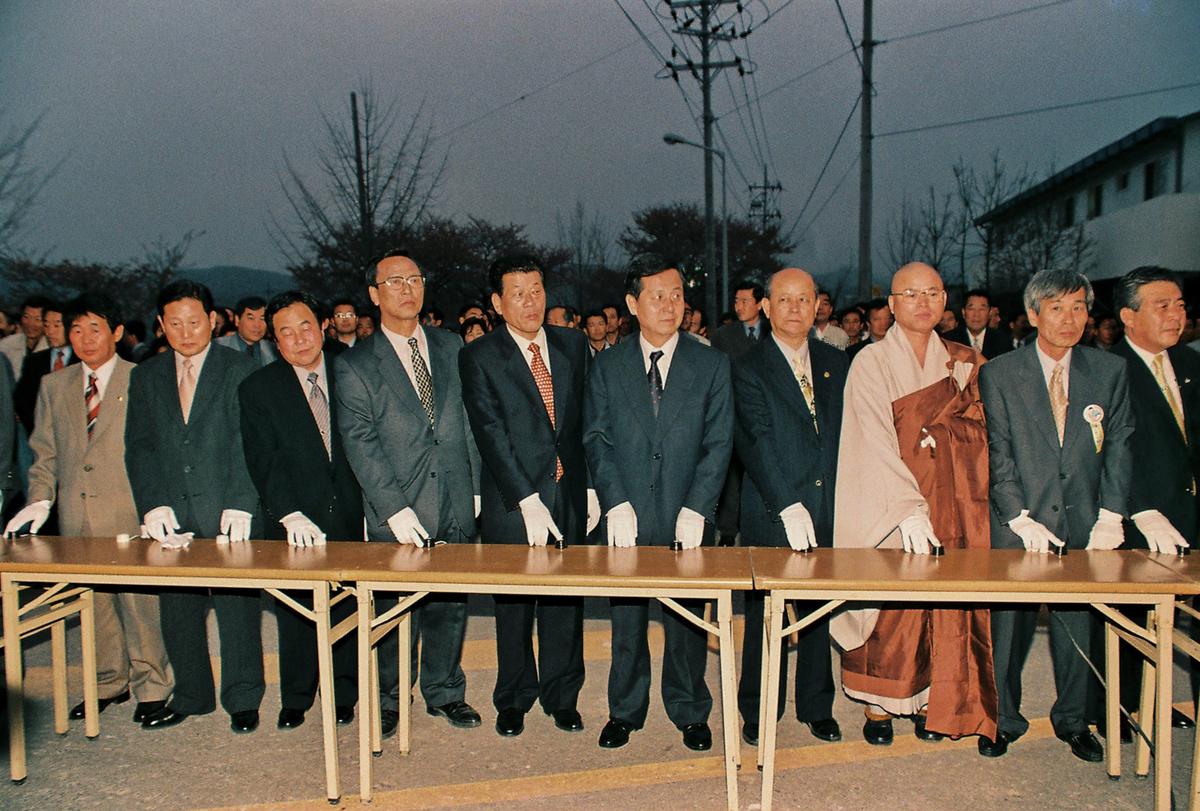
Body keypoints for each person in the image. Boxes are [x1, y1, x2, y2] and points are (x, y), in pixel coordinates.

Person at [831, 262, 997, 746]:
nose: (922, 303)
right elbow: (871, 439)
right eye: (910, 294)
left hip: (952, 499)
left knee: (938, 606)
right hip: (890, 501)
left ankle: (930, 699)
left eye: (932, 293)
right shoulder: (870, 362)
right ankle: (879, 707)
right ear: (893, 305)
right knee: (890, 609)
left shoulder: (966, 362)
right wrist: (906, 505)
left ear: (945, 301)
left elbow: (985, 432)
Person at [979, 268, 1132, 763]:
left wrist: (1112, 513)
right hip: (1019, 520)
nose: (1070, 319)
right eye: (1057, 308)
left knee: (1077, 625)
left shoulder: (1108, 371)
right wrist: (1017, 515)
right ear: (1032, 315)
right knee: (1008, 626)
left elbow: (1121, 446)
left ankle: (1073, 719)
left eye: (1079, 308)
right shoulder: (1000, 372)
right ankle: (1002, 718)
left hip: (1086, 520)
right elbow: (997, 450)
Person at [584, 256, 733, 752]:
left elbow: (719, 441)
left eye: (676, 294)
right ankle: (625, 709)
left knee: (686, 619)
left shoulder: (710, 363)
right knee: (626, 618)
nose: (670, 305)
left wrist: (698, 506)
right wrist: (614, 501)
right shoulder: (607, 365)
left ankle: (691, 709)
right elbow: (597, 437)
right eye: (657, 295)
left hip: (685, 509)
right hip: (628, 512)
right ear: (632, 304)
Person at [6, 293, 174, 724]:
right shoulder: (54, 384)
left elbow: (155, 450)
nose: (84, 338)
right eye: (75, 330)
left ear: (117, 333)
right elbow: (43, 451)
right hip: (77, 515)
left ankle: (153, 684)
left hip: (129, 509)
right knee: (94, 604)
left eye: (94, 328)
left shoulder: (142, 379)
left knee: (140, 603)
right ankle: (108, 681)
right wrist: (40, 499)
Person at [336, 248, 482, 739]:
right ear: (375, 295)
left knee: (450, 604)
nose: (406, 289)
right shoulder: (356, 364)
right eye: (394, 282)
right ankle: (389, 698)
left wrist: (477, 488)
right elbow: (361, 443)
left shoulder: (452, 346)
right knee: (393, 611)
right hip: (398, 506)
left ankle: (445, 690)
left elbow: (469, 423)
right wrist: (392, 508)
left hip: (456, 497)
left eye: (414, 279)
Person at [460, 254, 592, 738]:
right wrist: (527, 499)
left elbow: (585, 423)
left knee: (565, 603)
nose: (530, 301)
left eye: (536, 289)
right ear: (497, 302)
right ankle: (513, 697)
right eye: (517, 292)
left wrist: (592, 485)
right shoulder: (479, 355)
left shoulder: (573, 345)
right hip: (514, 500)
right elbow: (490, 433)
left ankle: (563, 696)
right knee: (513, 605)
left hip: (570, 492)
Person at [125, 279, 263, 733]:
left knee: (236, 607)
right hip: (174, 512)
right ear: (162, 326)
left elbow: (253, 442)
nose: (187, 332)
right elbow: (140, 446)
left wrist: (243, 501)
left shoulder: (240, 368)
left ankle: (243, 697)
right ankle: (192, 695)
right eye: (175, 324)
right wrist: (153, 504)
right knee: (178, 608)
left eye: (195, 321)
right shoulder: (145, 375)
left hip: (228, 507)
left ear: (213, 320)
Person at [733, 268, 847, 747]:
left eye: (805, 299)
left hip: (828, 506)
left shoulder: (836, 361)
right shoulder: (747, 365)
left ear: (818, 304)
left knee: (820, 612)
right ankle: (759, 708)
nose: (796, 309)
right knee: (767, 617)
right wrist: (788, 504)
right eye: (785, 300)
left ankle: (817, 705)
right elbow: (755, 441)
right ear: (766, 306)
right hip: (773, 508)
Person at [239, 291, 362, 731]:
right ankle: (296, 696)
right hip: (295, 517)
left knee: (348, 603)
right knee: (295, 612)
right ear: (274, 341)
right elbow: (263, 458)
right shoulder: (259, 388)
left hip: (352, 510)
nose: (298, 339)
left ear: (324, 324)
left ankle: (345, 692)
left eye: (305, 326)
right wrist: (287, 512)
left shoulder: (353, 370)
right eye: (285, 333)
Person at [1109, 266, 1198, 732]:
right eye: (1162, 306)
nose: (1175, 315)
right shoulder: (1108, 371)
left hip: (1192, 515)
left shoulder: (1193, 365)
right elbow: (1110, 452)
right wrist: (1141, 508)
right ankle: (1121, 711)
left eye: (1180, 305)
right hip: (1140, 519)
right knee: (1136, 624)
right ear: (1128, 315)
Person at [14, 301, 77, 435]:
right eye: (46, 325)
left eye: (56, 325)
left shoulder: (83, 360)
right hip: (38, 436)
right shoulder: (34, 361)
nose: (50, 332)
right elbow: (22, 400)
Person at [944, 289, 1012, 359]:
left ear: (989, 313)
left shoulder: (1003, 341)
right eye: (971, 309)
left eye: (982, 309)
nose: (976, 314)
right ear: (963, 312)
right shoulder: (949, 341)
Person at [710, 279, 769, 358]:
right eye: (736, 301)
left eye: (744, 302)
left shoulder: (774, 331)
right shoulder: (722, 335)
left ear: (759, 304)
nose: (739, 307)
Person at [0, 295, 52, 380]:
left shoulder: (52, 348)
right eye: (26, 317)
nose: (30, 324)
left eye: (37, 319)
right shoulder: (6, 345)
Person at [216, 296, 277, 366]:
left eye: (262, 319)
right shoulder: (218, 347)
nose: (257, 325)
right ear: (237, 320)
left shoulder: (273, 350)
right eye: (251, 318)